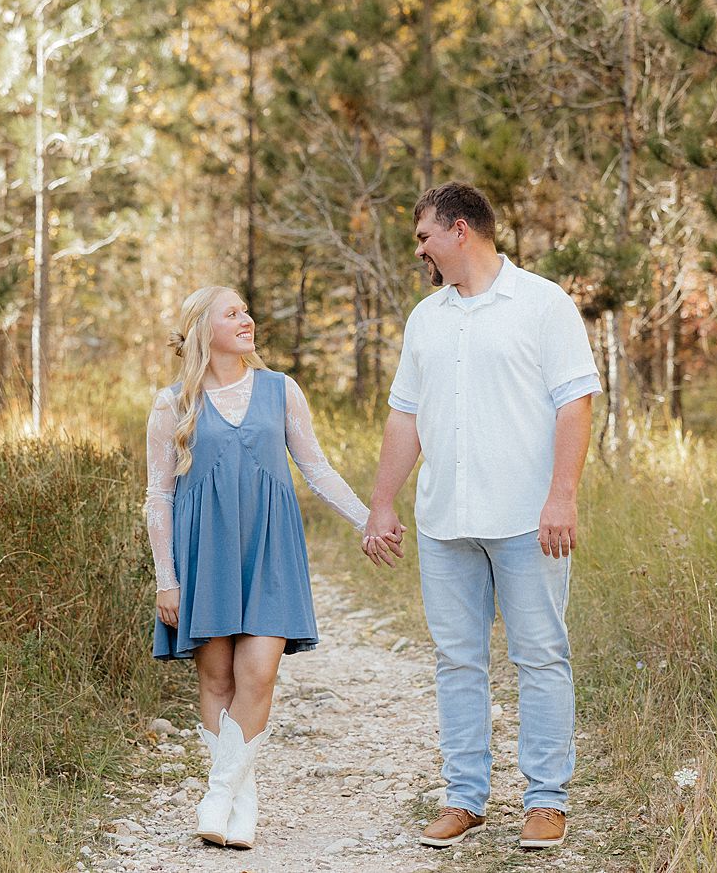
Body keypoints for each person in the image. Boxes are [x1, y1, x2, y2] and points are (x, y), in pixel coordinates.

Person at [363, 182, 599, 852]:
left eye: (424, 236)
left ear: (459, 230)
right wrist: (384, 501)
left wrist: (563, 494)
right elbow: (405, 415)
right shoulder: (426, 318)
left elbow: (575, 402)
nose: (420, 249)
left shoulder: (543, 303)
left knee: (541, 655)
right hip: (445, 523)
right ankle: (466, 798)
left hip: (528, 519)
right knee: (458, 661)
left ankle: (546, 801)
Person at [143, 285, 374, 849]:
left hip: (270, 550)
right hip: (205, 557)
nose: (247, 319)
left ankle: (218, 793)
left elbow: (315, 467)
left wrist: (367, 519)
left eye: (247, 310)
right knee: (217, 678)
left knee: (259, 674)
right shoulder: (172, 404)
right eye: (233, 313)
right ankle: (241, 803)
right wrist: (166, 579)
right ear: (204, 330)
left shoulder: (280, 390)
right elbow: (159, 499)